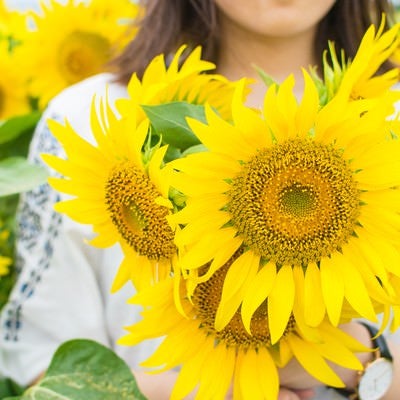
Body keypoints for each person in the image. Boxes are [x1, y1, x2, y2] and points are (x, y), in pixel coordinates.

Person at [1, 0, 400, 399]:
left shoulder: (390, 113)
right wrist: (195, 391)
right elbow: (47, 368)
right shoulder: (87, 117)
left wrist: (362, 362)